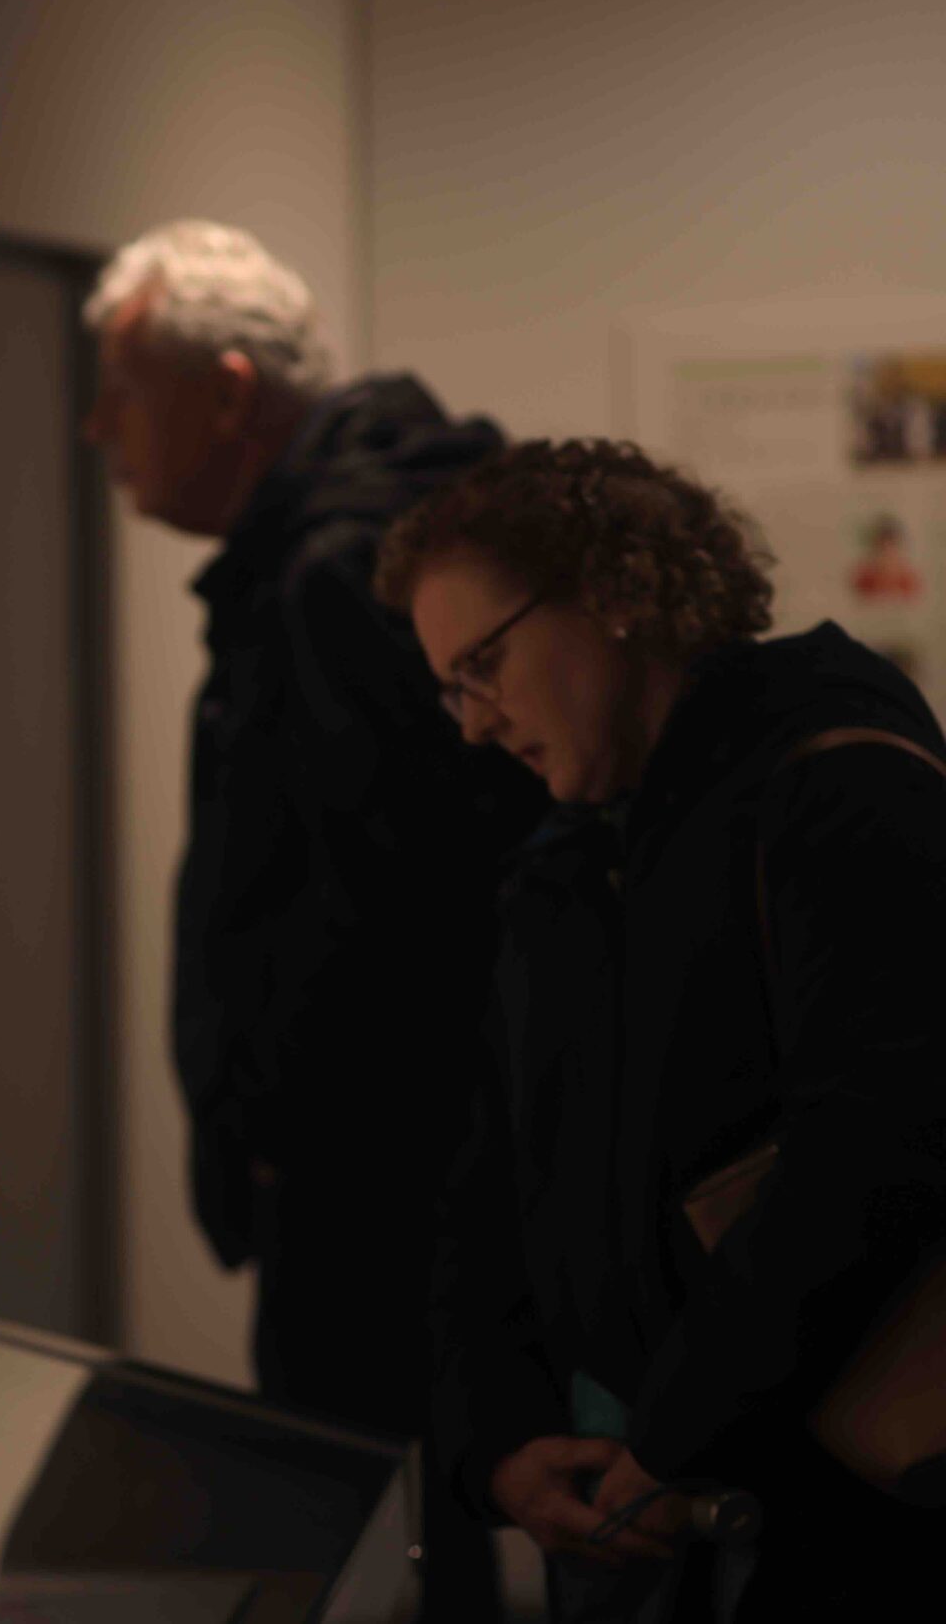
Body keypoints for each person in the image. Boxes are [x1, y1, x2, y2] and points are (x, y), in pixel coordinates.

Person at [379, 437, 946, 1619]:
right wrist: (496, 1443)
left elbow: (875, 1148)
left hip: (833, 1510)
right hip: (632, 1502)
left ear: (617, 596)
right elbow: (489, 1182)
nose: (475, 723)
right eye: (451, 687)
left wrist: (678, 1432)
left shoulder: (837, 781)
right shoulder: (564, 862)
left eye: (485, 664)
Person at [75, 220, 540, 1618]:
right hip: (404, 1178)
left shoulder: (334, 570)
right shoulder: (368, 534)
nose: (98, 427)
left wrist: (281, 1135)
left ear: (227, 390)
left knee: (383, 1545)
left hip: (375, 1192)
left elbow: (399, 913)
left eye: (123, 389)